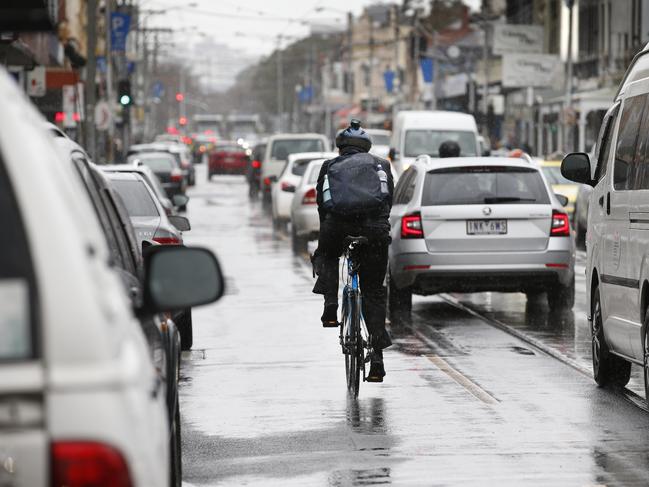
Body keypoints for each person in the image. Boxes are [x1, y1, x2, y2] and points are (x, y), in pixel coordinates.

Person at [312, 119, 394, 383]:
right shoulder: (382, 165)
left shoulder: (329, 167)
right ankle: (378, 358)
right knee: (374, 292)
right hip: (375, 232)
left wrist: (329, 230)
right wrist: (376, 227)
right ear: (366, 146)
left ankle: (330, 307)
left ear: (340, 148)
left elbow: (322, 204)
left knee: (327, 254)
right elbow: (387, 200)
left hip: (338, 226)